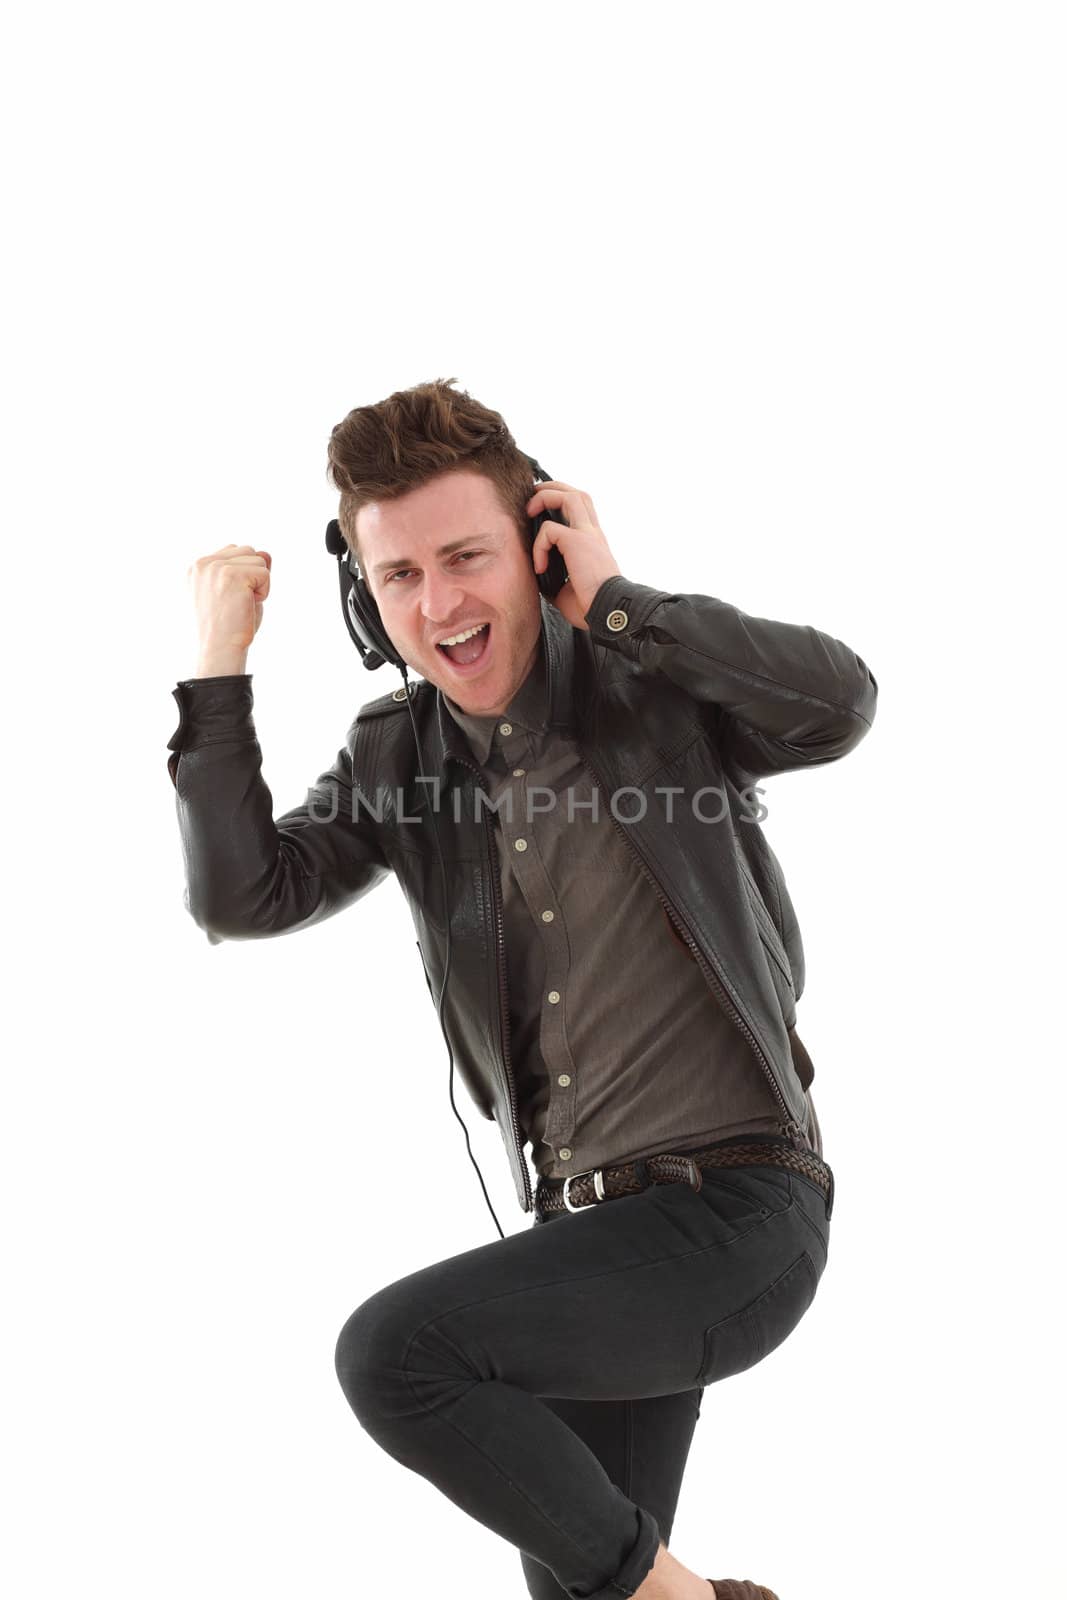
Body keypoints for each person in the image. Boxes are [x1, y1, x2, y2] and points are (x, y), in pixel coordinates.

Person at [167, 378, 877, 1600]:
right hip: (586, 1243)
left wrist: (614, 601)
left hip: (739, 1213)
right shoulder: (397, 757)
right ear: (364, 596)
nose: (438, 605)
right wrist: (216, 671)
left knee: (397, 1355)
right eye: (399, 577)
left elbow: (837, 704)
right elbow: (244, 894)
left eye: (465, 557)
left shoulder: (648, 680)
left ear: (534, 545)